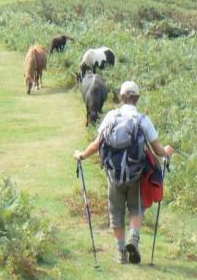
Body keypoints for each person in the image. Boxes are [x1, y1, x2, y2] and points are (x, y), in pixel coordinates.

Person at [73, 80, 174, 264]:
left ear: (121, 97)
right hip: (136, 174)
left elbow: (97, 144)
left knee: (116, 211)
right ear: (137, 98)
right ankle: (133, 239)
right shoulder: (143, 120)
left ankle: (121, 253)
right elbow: (158, 150)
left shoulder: (111, 117)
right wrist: (167, 151)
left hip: (113, 175)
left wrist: (81, 155)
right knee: (136, 208)